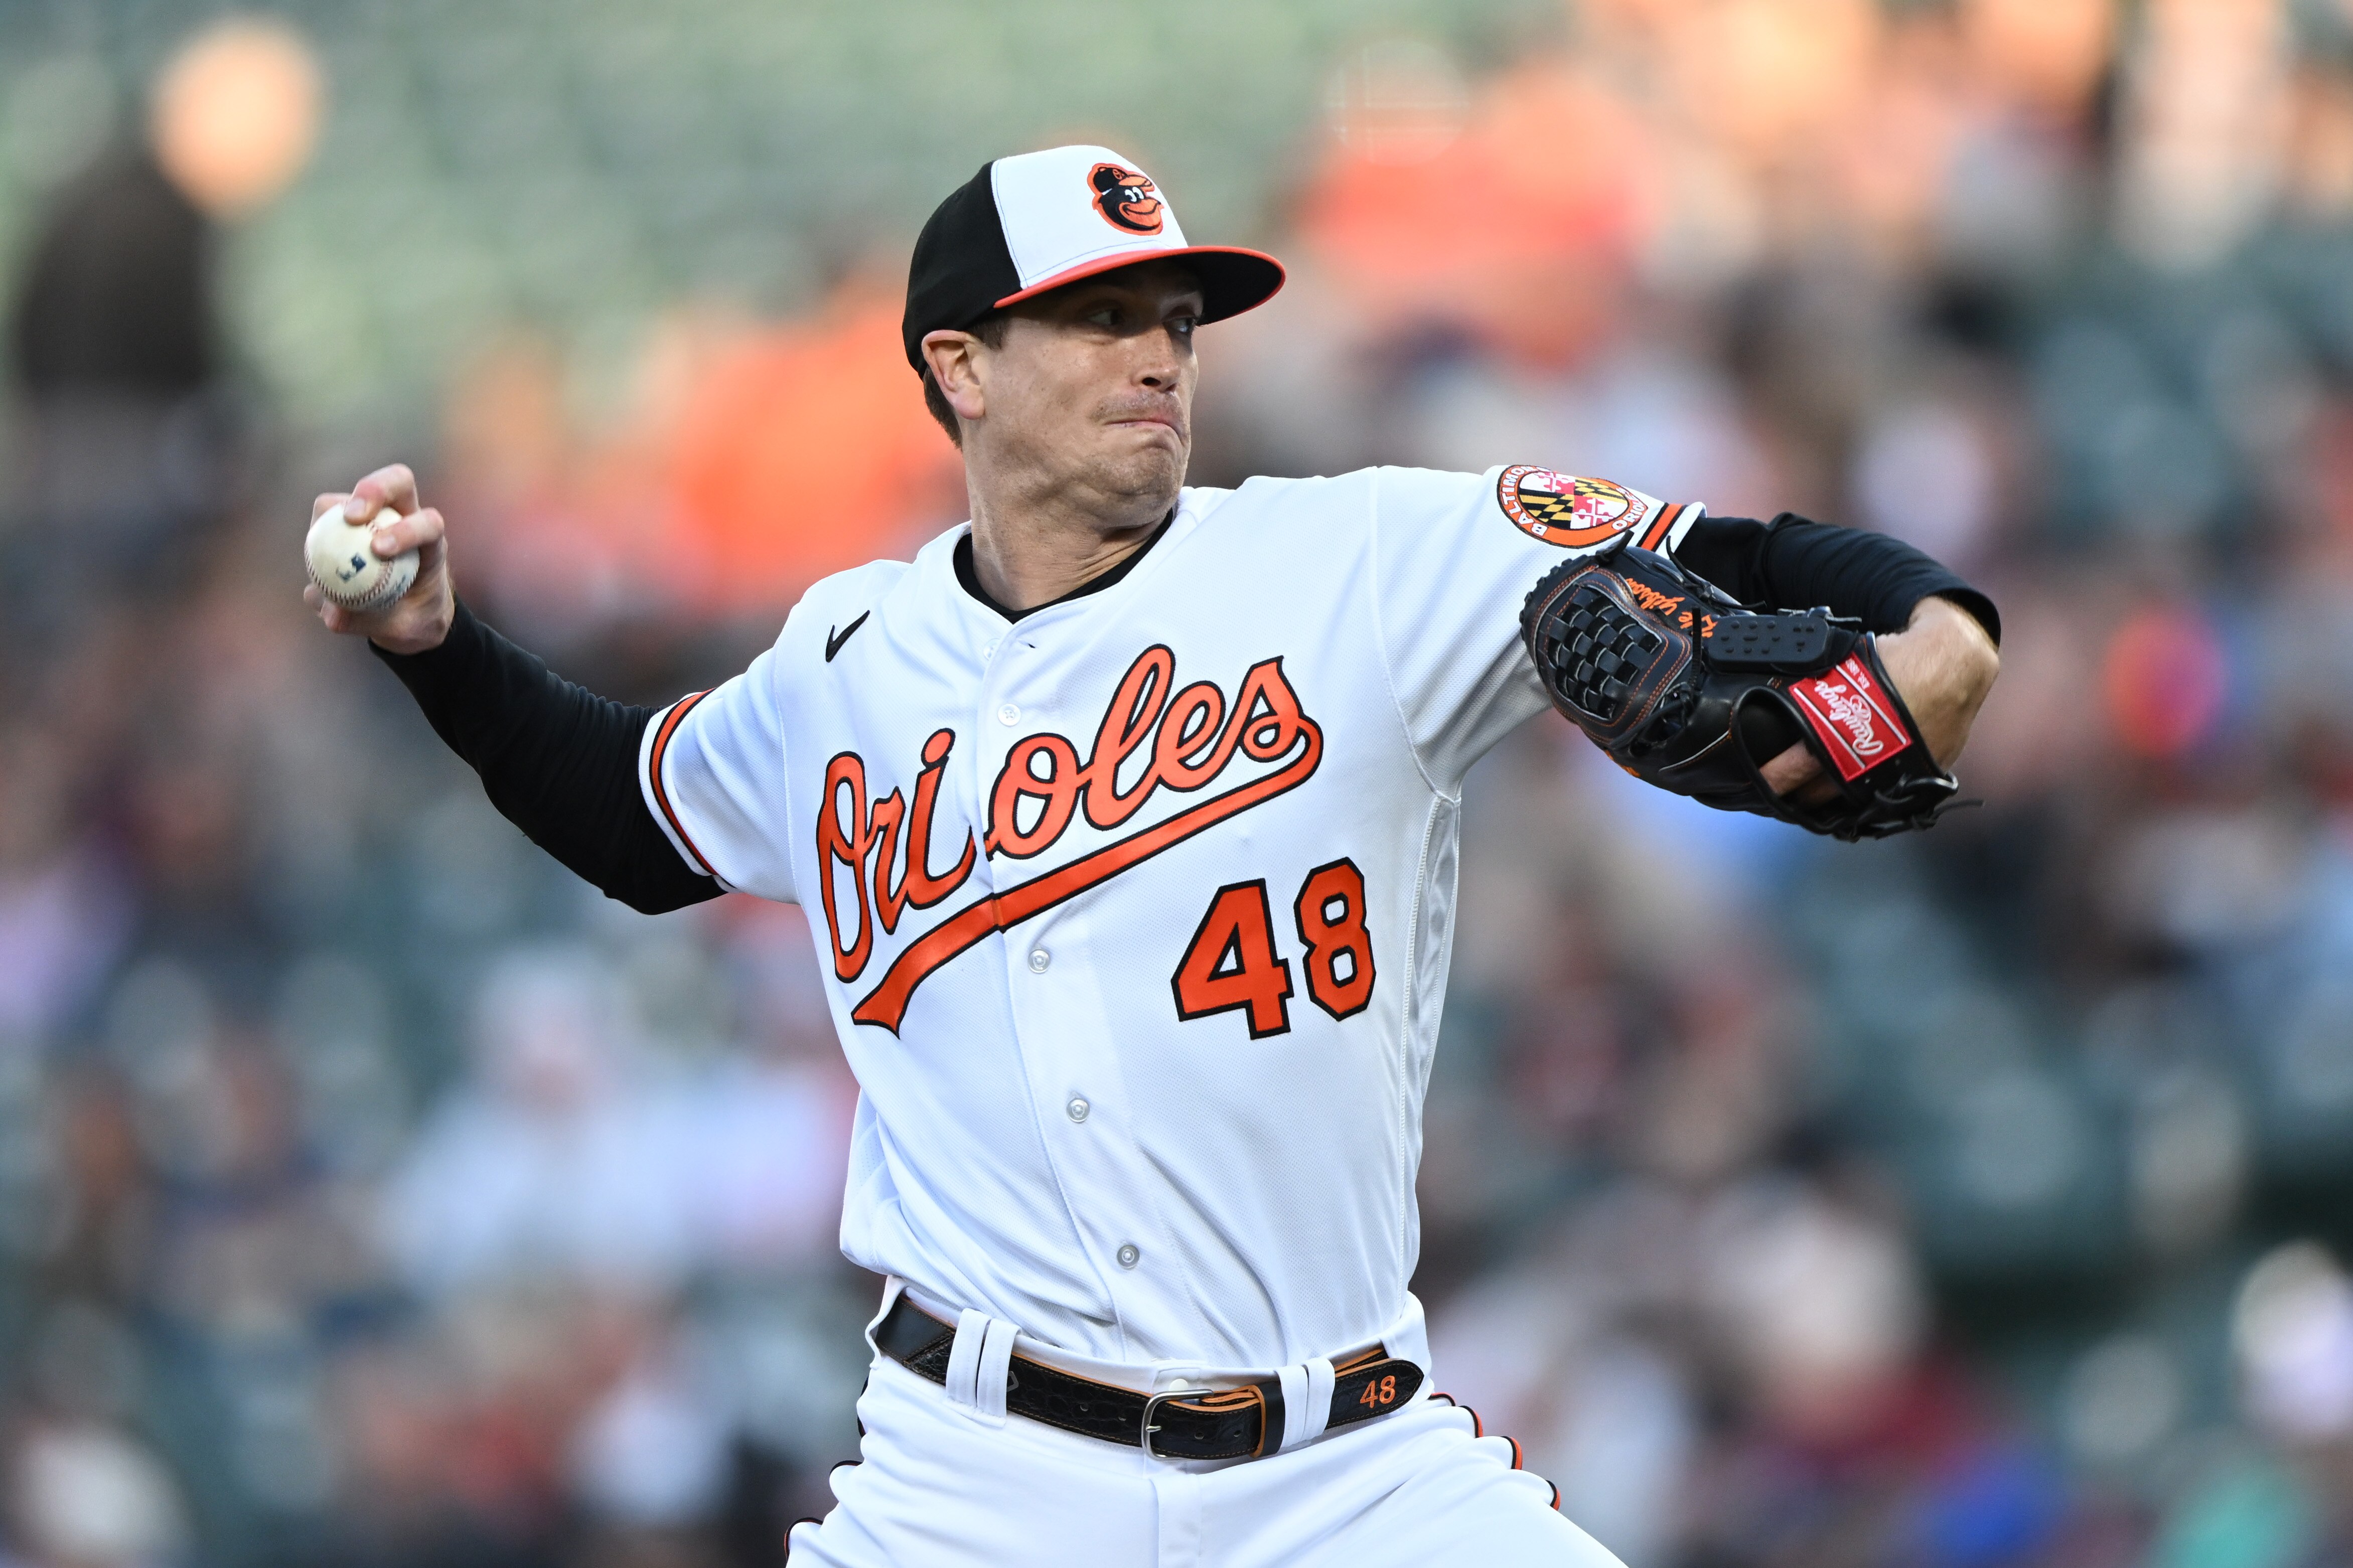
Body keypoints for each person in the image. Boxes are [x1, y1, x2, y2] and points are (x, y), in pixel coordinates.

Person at [307, 145, 1999, 1565]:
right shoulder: (847, 657)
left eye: (1175, 322)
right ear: (960, 366)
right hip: (973, 1483)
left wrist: (1938, 629)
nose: (1159, 359)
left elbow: (1739, 548)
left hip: (1347, 1471)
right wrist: (438, 652)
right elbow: (632, 815)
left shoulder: (1358, 561)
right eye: (1102, 318)